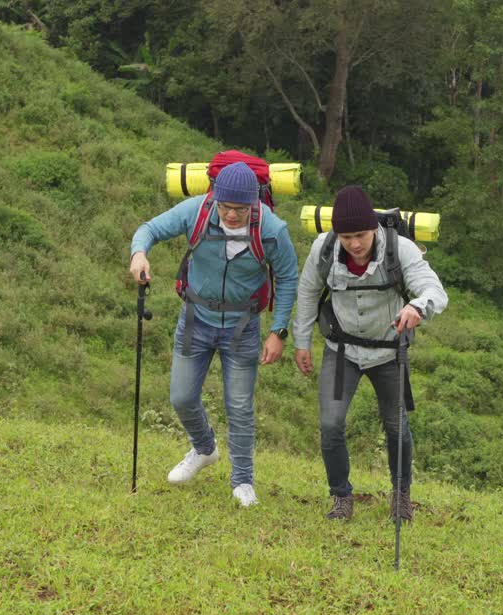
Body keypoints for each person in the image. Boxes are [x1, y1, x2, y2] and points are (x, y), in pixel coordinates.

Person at [128, 161, 299, 507]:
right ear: (215, 199)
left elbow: (289, 277)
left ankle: (243, 481)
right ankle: (204, 448)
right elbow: (149, 228)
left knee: (238, 406)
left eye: (239, 209)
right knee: (181, 397)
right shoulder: (198, 212)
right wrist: (139, 253)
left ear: (254, 204)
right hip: (196, 318)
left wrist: (279, 331)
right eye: (225, 207)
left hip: (242, 326)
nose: (231, 215)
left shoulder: (271, 229)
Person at [291, 185, 448, 520]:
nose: (355, 244)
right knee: (331, 424)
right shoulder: (324, 248)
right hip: (341, 351)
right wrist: (301, 341)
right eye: (346, 237)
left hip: (390, 353)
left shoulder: (400, 249)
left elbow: (434, 289)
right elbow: (307, 293)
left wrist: (418, 307)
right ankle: (341, 497)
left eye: (361, 234)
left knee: (396, 426)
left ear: (373, 228)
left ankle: (401, 496)